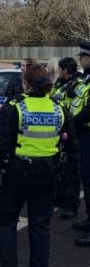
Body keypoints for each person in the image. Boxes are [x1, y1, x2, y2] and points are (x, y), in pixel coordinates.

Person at [0, 64, 78, 267]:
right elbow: (72, 147)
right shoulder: (59, 108)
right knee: (41, 229)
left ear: (25, 84)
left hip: (17, 174)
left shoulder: (14, 108)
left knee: (5, 224)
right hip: (47, 175)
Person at [49, 57, 82, 219]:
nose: (59, 71)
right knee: (60, 168)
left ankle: (72, 204)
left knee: (72, 171)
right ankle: (60, 198)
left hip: (72, 131)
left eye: (60, 69)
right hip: (59, 129)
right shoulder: (60, 83)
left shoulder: (77, 84)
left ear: (66, 70)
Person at [70, 42, 90, 246]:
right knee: (87, 180)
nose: (81, 60)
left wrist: (73, 121)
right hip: (83, 135)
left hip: (87, 133)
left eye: (83, 56)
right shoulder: (86, 79)